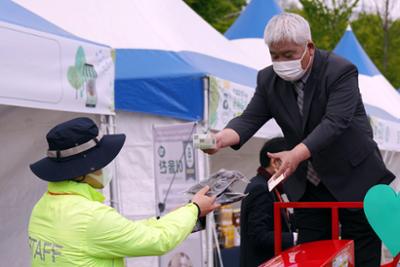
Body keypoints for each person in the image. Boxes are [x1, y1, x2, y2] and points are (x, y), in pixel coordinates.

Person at [204, 13, 394, 266]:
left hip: (354, 177)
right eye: (275, 55)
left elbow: (335, 122)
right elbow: (250, 118)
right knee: (311, 253)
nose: (281, 62)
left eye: (289, 55)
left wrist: (295, 154)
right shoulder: (268, 79)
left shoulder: (340, 71)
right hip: (309, 183)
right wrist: (221, 139)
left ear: (310, 48)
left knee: (361, 254)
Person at [28, 117, 220, 267]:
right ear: (83, 170)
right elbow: (157, 241)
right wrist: (194, 209)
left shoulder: (43, 206)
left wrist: (177, 216)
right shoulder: (91, 216)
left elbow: (127, 231)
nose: (105, 168)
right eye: (101, 163)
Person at [240, 137, 295, 267]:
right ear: (275, 162)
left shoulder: (269, 186)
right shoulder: (260, 188)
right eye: (289, 159)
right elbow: (259, 236)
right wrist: (294, 237)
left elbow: (276, 219)